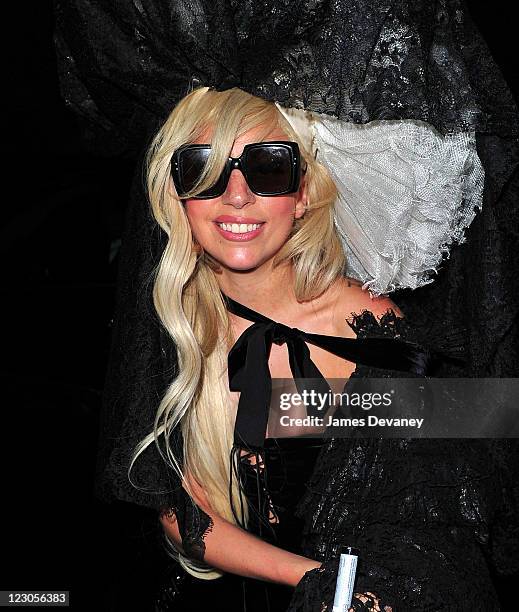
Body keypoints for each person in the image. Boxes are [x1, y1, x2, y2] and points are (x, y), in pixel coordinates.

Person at [127, 85, 516, 611]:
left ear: (303, 192)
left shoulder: (372, 334)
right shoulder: (174, 326)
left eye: (267, 169)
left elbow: (447, 511)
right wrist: (318, 580)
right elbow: (180, 514)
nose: (236, 195)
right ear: (178, 194)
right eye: (204, 169)